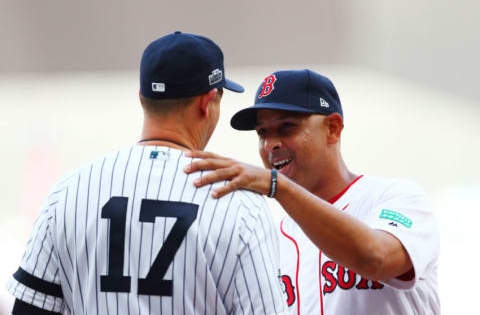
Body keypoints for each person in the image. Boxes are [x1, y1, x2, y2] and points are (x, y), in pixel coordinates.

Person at [7, 32, 288, 315]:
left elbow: (30, 310)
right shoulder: (240, 204)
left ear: (142, 98)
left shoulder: (67, 192)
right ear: (208, 101)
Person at [184, 69, 440, 314]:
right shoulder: (269, 240)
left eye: (286, 127)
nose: (270, 144)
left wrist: (277, 185)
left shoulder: (397, 199)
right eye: (263, 132)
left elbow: (377, 259)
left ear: (333, 128)